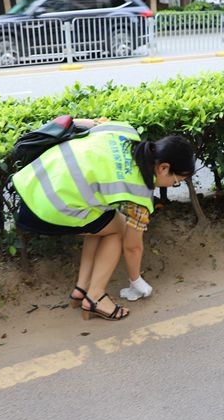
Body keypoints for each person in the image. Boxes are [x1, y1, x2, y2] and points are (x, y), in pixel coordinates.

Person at [12, 117, 196, 321]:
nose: (172, 184)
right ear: (163, 168)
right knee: (119, 229)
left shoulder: (124, 130)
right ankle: (95, 297)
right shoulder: (140, 193)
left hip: (33, 181)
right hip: (48, 209)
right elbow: (132, 247)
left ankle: (81, 290)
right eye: (176, 180)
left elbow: (85, 122)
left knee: (103, 221)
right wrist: (136, 280)